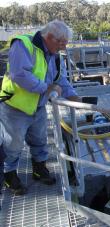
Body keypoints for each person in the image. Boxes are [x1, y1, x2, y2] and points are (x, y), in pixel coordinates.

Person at [0, 20, 81, 195]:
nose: (64, 48)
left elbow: (60, 80)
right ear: (49, 37)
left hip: (38, 107)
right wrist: (46, 88)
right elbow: (19, 75)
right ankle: (9, 174)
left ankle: (39, 169)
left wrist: (73, 96)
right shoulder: (23, 45)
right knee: (13, 144)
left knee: (39, 141)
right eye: (62, 43)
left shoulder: (54, 55)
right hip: (15, 108)